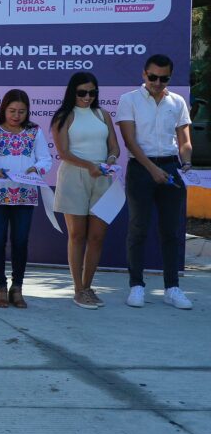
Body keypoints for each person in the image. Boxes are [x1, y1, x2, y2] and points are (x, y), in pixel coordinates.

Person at [117, 54, 194, 310]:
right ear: (144, 74)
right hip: (141, 167)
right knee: (138, 228)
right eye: (153, 77)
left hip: (171, 166)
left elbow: (184, 140)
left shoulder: (178, 101)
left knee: (171, 231)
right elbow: (130, 141)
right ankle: (136, 286)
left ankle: (172, 288)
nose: (157, 82)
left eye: (163, 78)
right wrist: (152, 169)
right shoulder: (129, 100)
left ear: (170, 77)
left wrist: (186, 162)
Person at [50, 72, 120, 310]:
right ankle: (78, 289)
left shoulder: (103, 114)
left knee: (97, 235)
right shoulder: (64, 116)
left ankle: (88, 286)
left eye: (92, 92)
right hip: (74, 176)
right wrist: (89, 165)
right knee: (77, 235)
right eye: (82, 92)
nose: (87, 97)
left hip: (102, 176)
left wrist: (110, 159)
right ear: (73, 92)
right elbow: (63, 153)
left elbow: (114, 145)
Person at [0, 89, 52, 309]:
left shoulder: (34, 131)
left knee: (20, 241)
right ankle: (0, 286)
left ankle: (17, 287)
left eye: (21, 111)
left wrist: (36, 168)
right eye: (12, 110)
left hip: (24, 194)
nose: (16, 115)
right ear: (4, 108)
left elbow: (45, 159)